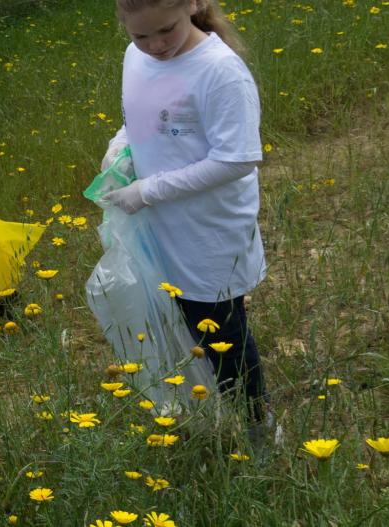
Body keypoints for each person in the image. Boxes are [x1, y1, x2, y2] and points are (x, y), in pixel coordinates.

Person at [101, 0, 276, 447]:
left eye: (166, 30)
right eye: (141, 35)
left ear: (193, 5)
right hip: (159, 227)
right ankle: (205, 409)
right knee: (180, 320)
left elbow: (236, 160)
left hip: (207, 232)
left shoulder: (220, 72)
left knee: (222, 332)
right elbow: (139, 118)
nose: (155, 45)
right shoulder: (135, 58)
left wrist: (148, 190)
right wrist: (120, 147)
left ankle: (260, 428)